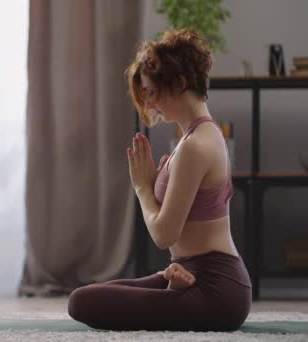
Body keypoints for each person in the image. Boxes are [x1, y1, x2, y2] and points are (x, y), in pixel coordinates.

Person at [67, 29, 251, 332]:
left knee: (81, 302)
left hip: (215, 289)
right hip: (189, 272)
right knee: (86, 296)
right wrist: (154, 182)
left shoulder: (194, 146)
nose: (150, 104)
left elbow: (164, 235)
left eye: (152, 92)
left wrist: (142, 187)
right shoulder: (200, 136)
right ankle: (175, 291)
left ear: (179, 84)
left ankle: (178, 294)